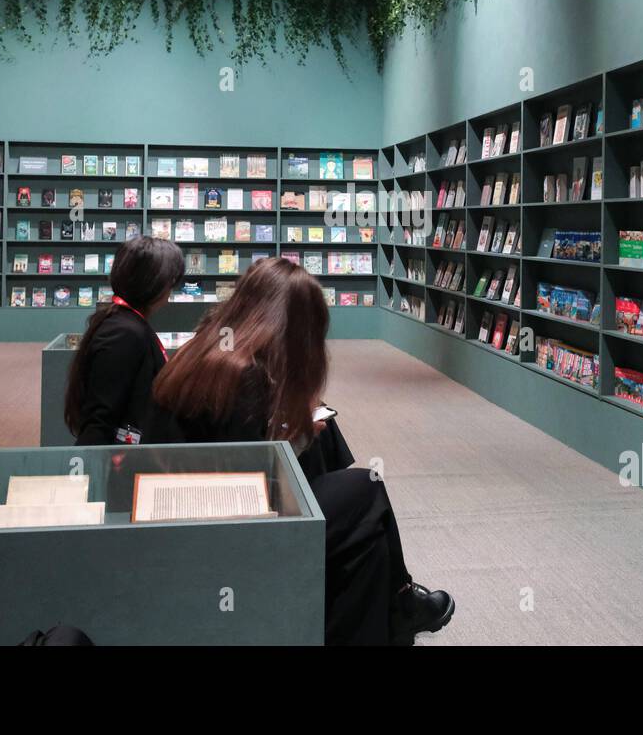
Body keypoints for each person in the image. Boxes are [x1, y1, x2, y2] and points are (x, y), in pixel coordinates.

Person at [154, 257, 454, 645]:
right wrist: (294, 436)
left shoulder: (204, 350)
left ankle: (396, 606)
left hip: (181, 511)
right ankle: (400, 602)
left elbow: (232, 451)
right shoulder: (244, 375)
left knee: (367, 539)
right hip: (223, 530)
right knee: (367, 488)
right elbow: (255, 484)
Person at [64, 236, 185, 445]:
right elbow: (100, 417)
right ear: (152, 283)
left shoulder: (125, 322)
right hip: (125, 462)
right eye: (170, 281)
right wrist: (83, 472)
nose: (171, 290)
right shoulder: (124, 332)